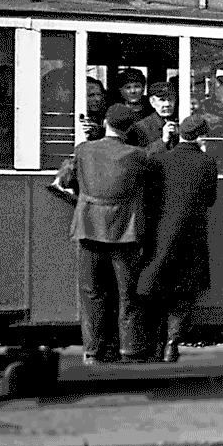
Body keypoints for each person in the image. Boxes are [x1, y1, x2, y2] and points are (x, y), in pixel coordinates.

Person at [68, 104, 149, 365]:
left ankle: (93, 350)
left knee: (91, 291)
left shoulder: (84, 150)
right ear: (130, 127)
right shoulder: (137, 155)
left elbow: (71, 180)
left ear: (104, 122)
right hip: (124, 228)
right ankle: (130, 349)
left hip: (89, 225)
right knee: (127, 293)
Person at [137, 114, 218, 363]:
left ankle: (152, 343)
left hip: (161, 234)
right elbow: (210, 200)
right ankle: (172, 344)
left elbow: (149, 196)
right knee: (184, 292)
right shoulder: (207, 163)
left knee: (156, 286)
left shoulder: (161, 160)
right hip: (192, 236)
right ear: (202, 137)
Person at [126, 82, 178, 155]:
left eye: (170, 99)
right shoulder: (141, 128)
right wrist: (163, 141)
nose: (167, 104)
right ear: (152, 102)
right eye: (162, 100)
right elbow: (139, 156)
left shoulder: (181, 121)